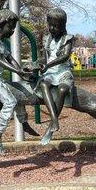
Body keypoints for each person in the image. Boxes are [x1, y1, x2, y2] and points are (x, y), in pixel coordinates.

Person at [0, 9, 38, 154]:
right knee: (10, 101)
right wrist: (17, 71)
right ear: (1, 24)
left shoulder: (1, 42)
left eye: (13, 27)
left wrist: (23, 73)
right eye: (10, 27)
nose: (12, 30)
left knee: (18, 94)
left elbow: (10, 59)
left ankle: (24, 122)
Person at [37, 8, 75, 145]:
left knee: (63, 90)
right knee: (43, 84)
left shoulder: (68, 39)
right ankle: (54, 119)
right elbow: (44, 59)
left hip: (63, 71)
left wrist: (48, 65)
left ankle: (50, 129)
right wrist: (37, 64)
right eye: (50, 25)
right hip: (50, 72)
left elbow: (65, 56)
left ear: (63, 26)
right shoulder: (47, 39)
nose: (52, 28)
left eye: (56, 26)